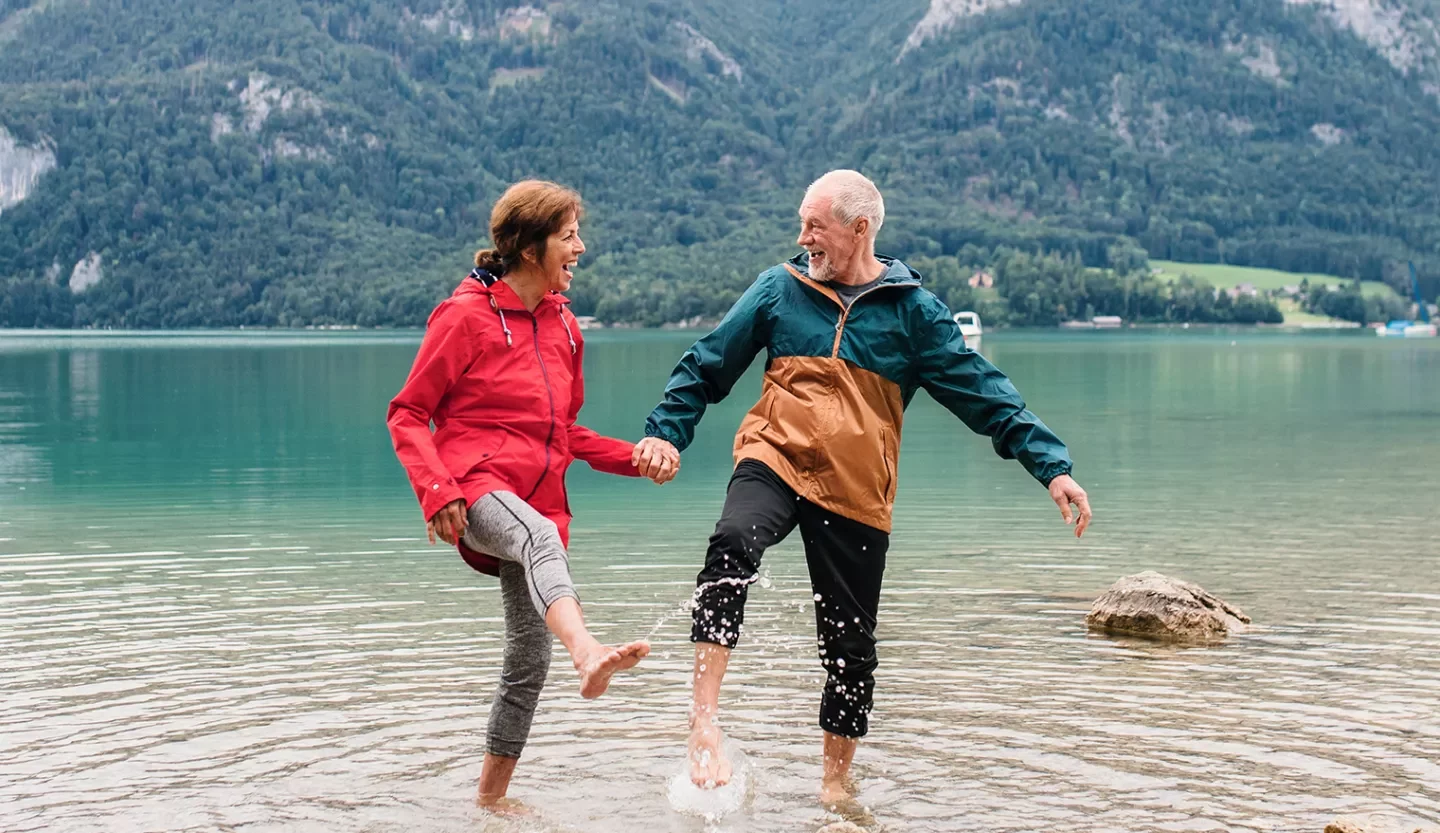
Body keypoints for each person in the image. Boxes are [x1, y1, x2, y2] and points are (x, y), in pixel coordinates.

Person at [631, 169, 1092, 804]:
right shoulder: (779, 290)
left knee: (850, 646)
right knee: (733, 541)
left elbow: (984, 391)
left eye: (814, 226)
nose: (803, 238)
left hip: (856, 490)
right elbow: (706, 363)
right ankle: (703, 722)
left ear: (860, 228)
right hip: (774, 457)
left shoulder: (913, 315)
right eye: (802, 223)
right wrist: (665, 432)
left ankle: (836, 788)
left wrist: (1052, 466)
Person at [387, 179, 677, 811]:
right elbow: (408, 413)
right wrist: (436, 491)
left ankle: (489, 805)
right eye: (569, 235)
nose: (581, 246)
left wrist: (637, 458)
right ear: (529, 247)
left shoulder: (566, 328)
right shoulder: (463, 317)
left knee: (526, 657)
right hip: (474, 489)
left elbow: (565, 432)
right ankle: (589, 652)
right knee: (539, 538)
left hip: (538, 498)